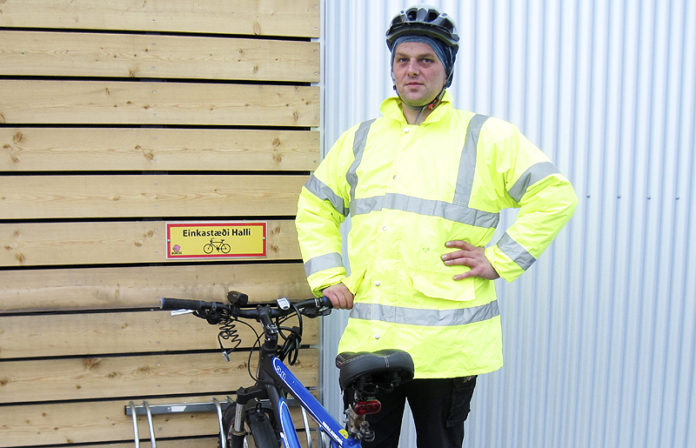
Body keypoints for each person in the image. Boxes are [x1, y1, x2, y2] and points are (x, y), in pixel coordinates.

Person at [295, 5, 578, 447]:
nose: (412, 70)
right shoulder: (361, 139)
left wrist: (500, 258)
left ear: (447, 70)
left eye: (426, 60)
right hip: (371, 343)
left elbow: (555, 194)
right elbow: (316, 206)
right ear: (392, 68)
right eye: (402, 59)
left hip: (448, 351)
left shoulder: (487, 137)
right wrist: (329, 276)